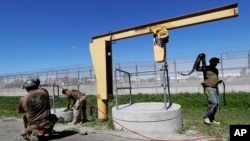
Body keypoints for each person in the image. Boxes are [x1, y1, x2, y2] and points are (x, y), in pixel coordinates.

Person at [196, 57, 222, 125]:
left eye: (217, 62)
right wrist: (199, 59)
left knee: (216, 105)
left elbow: (214, 78)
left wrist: (218, 81)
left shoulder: (216, 70)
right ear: (211, 62)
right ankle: (206, 117)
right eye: (215, 62)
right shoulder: (206, 68)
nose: (216, 64)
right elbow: (197, 68)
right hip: (208, 88)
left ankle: (211, 119)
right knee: (213, 102)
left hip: (215, 88)